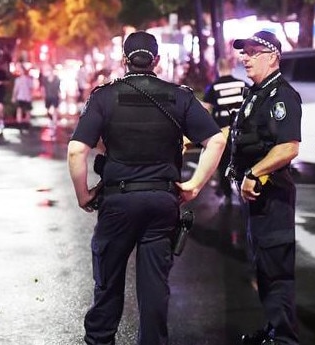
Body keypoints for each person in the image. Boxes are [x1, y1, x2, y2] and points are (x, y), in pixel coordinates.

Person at [67, 31, 226, 345]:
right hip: (161, 202)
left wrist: (83, 194)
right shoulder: (179, 96)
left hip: (117, 203)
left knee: (108, 281)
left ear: (124, 60)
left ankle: (100, 339)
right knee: (155, 285)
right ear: (157, 60)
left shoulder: (104, 96)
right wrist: (193, 186)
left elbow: (76, 150)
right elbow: (217, 139)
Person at [229, 30, 301, 345]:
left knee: (277, 273)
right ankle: (273, 330)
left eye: (253, 51)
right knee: (264, 268)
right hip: (259, 201)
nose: (245, 57)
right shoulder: (256, 93)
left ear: (272, 57)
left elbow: (289, 147)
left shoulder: (282, 96)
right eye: (243, 52)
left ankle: (285, 339)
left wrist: (253, 173)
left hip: (274, 198)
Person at [202, 57, 249, 205]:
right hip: (241, 131)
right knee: (241, 160)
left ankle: (227, 192)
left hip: (222, 132)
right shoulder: (242, 84)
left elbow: (206, 109)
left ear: (218, 68)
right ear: (232, 68)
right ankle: (243, 188)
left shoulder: (214, 87)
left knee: (223, 163)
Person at [40, 67, 61, 138]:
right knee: (48, 111)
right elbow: (43, 88)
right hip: (48, 97)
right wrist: (43, 95)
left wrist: (60, 96)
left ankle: (54, 126)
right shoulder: (45, 80)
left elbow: (58, 89)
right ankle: (51, 122)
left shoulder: (57, 79)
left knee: (54, 111)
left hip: (55, 97)